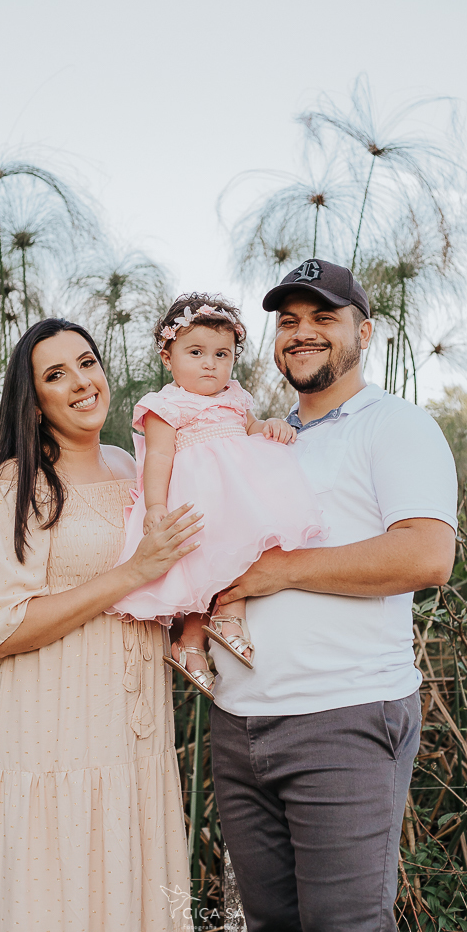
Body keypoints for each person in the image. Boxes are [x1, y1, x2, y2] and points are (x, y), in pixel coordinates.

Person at [208, 260, 458, 932]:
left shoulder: (395, 425)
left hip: (342, 717)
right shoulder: (263, 441)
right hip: (239, 723)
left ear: (364, 332)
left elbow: (426, 555)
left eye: (324, 317)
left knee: (346, 931)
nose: (302, 332)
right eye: (288, 321)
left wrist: (281, 572)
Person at [0, 318, 201, 932]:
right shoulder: (18, 485)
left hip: (136, 733)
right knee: (65, 896)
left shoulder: (131, 466)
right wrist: (131, 573)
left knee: (136, 893)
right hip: (57, 737)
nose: (80, 382)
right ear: (34, 402)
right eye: (56, 374)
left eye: (87, 362)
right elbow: (5, 627)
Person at [110, 293, 324, 697]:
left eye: (221, 354)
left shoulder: (235, 397)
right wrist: (155, 505)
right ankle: (192, 642)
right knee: (199, 574)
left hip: (235, 499)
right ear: (167, 358)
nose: (210, 363)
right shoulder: (166, 405)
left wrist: (270, 426)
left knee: (239, 557)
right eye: (196, 352)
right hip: (196, 502)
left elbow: (251, 428)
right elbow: (157, 457)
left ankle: (222, 619)